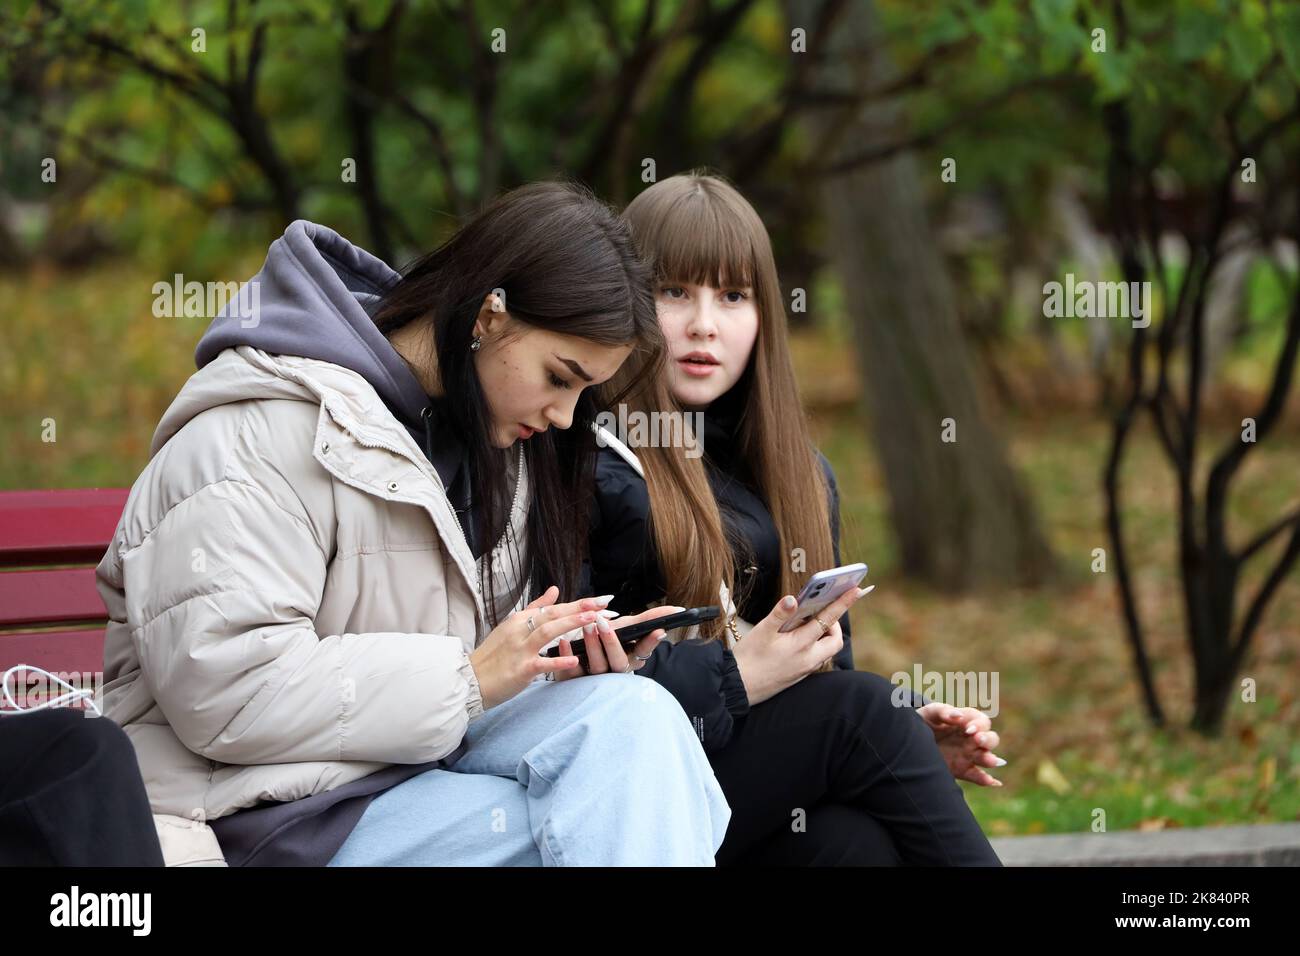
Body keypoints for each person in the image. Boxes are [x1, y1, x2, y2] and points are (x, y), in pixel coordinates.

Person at [96, 181, 730, 867]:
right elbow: (225, 688)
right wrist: (470, 678)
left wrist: (547, 666)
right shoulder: (257, 431)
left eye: (583, 392)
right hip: (271, 817)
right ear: (490, 316)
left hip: (418, 779)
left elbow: (461, 681)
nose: (564, 417)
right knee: (575, 826)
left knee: (636, 722)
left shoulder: (483, 442)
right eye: (559, 377)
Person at [577, 172, 1004, 865]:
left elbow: (828, 674)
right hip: (636, 796)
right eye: (674, 291)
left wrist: (908, 738)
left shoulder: (798, 472)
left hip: (752, 795)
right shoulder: (589, 464)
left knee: (853, 844)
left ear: (764, 315)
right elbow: (561, 687)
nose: (703, 324)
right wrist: (736, 677)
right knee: (866, 718)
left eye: (733, 295)